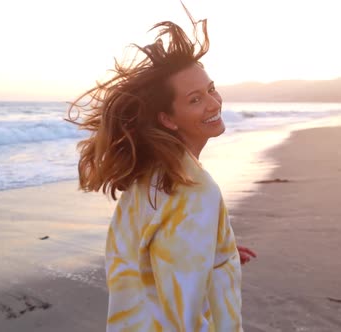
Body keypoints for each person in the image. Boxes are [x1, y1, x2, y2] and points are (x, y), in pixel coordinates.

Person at [67, 6, 256, 331]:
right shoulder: (193, 193)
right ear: (167, 118)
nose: (213, 103)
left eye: (211, 89)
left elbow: (153, 261)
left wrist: (212, 251)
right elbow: (183, 319)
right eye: (195, 99)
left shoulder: (150, 179)